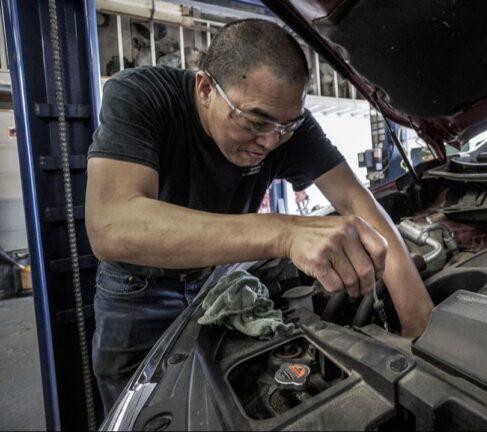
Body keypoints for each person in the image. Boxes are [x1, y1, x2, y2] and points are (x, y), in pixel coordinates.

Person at [85, 19, 434, 413]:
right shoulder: (142, 95)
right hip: (139, 291)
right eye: (255, 122)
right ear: (204, 89)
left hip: (220, 281)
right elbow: (111, 225)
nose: (270, 141)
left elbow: (357, 201)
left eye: (287, 126)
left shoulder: (285, 125)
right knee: (141, 410)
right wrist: (285, 234)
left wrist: (418, 318)